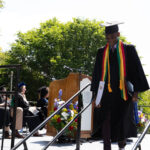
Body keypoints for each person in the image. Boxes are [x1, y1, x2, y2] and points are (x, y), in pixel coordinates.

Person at [91, 22, 149, 150]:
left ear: (118, 34)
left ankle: (121, 145)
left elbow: (136, 70)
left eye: (112, 37)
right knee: (105, 119)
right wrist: (95, 95)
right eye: (107, 38)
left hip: (122, 91)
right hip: (105, 92)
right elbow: (96, 74)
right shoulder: (101, 52)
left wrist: (136, 93)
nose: (110, 40)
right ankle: (106, 147)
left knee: (121, 120)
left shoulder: (128, 49)